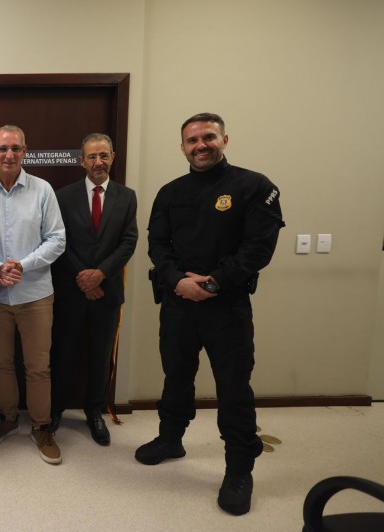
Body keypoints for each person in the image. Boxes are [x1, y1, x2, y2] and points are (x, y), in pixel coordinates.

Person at [138, 113, 284, 516]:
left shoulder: (254, 186)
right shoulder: (171, 192)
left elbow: (258, 248)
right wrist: (177, 282)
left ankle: (239, 469)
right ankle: (171, 439)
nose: (200, 145)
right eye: (191, 140)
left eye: (208, 138)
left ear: (224, 139)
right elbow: (157, 243)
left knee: (234, 388)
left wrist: (215, 283)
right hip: (178, 304)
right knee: (176, 376)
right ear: (182, 147)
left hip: (227, 307)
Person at [0, 124, 66, 465]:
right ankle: (8, 419)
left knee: (38, 366)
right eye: (3, 148)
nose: (9, 154)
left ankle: (42, 427)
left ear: (25, 152)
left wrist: (22, 265)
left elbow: (57, 239)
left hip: (35, 294)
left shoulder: (43, 190)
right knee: (0, 363)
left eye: (16, 148)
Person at [50, 133, 138, 446]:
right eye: (91, 156)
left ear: (113, 156)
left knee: (100, 356)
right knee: (64, 352)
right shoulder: (62, 196)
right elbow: (60, 241)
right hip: (71, 291)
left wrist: (100, 275)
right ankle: (56, 409)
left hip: (108, 292)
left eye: (103, 155)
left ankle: (95, 411)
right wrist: (82, 278)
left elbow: (129, 241)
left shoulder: (127, 197)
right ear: (81, 160)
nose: (97, 162)